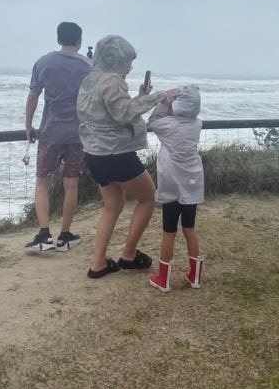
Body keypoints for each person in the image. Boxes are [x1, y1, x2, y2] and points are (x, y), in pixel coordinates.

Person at [77, 35, 179, 278]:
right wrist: (158, 96)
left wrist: (140, 97)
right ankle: (129, 254)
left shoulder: (91, 79)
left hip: (94, 153)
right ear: (117, 59)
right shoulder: (113, 80)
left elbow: (110, 111)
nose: (130, 66)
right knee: (149, 198)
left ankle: (98, 263)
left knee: (112, 206)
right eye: (128, 61)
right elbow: (123, 114)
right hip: (116, 154)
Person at [24, 22, 92, 253]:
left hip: (51, 132)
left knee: (43, 182)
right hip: (78, 133)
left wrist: (28, 126)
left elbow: (33, 97)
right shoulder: (88, 65)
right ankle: (65, 235)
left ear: (58, 39)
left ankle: (44, 235)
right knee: (71, 185)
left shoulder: (43, 62)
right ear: (79, 41)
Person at [147, 85, 205, 292]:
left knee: (169, 232)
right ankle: (195, 276)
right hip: (192, 184)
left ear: (177, 107)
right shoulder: (197, 123)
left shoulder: (168, 125)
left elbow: (152, 122)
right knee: (189, 228)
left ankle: (164, 278)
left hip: (172, 186)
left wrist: (163, 102)